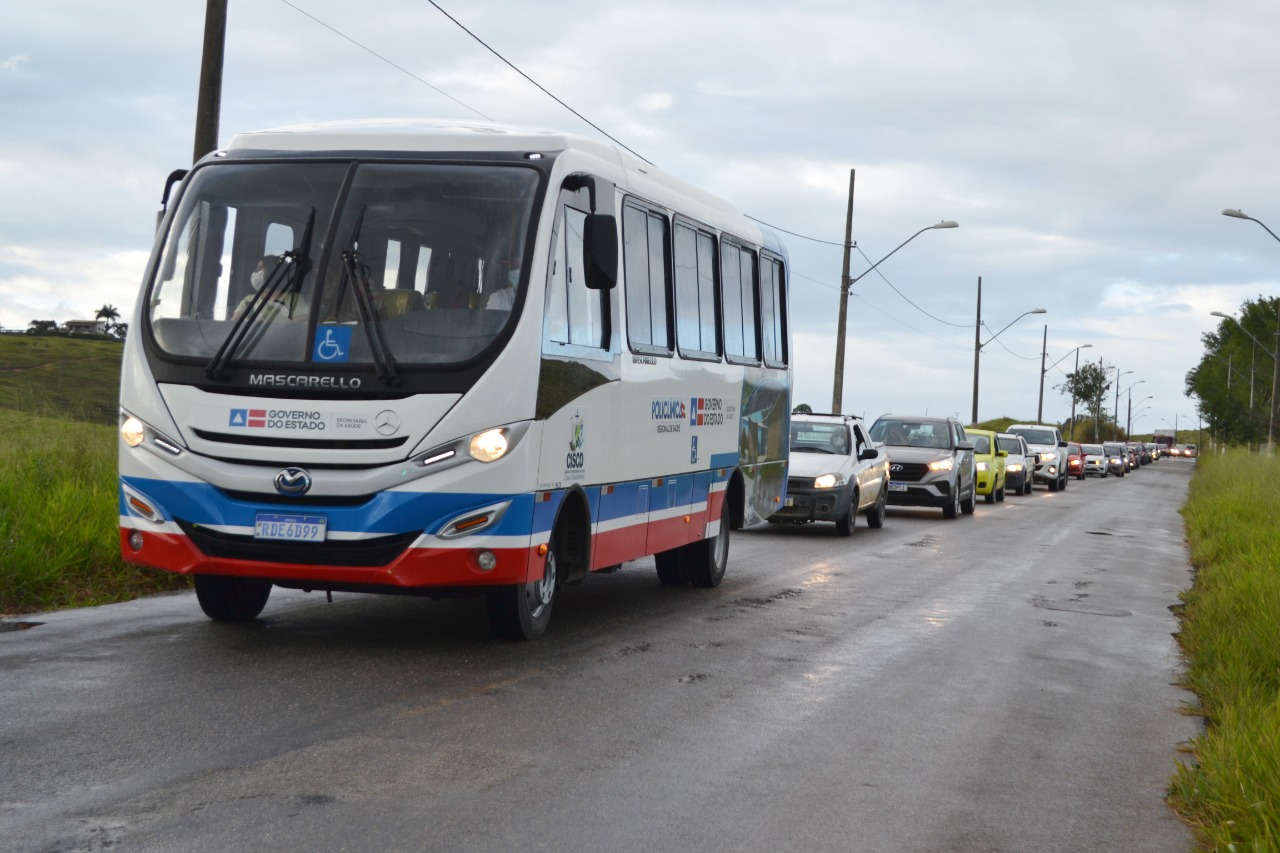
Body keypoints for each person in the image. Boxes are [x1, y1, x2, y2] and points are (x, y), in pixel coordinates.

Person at [231, 256, 305, 321]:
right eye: (257, 269)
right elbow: (231, 326)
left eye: (261, 268)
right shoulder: (248, 301)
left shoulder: (294, 300)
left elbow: (301, 327)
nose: (257, 273)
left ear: (274, 272)